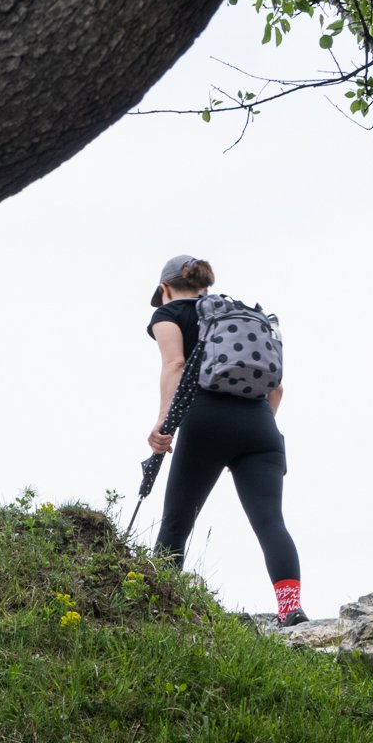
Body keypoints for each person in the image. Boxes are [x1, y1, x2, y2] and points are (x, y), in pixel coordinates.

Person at [144, 254, 306, 624]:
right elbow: (276, 388)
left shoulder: (168, 316)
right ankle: (290, 609)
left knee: (177, 522)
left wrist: (163, 424)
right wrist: (246, 440)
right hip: (261, 426)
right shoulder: (243, 318)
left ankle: (155, 612)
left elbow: (174, 365)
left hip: (205, 421)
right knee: (271, 523)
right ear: (206, 286)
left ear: (165, 289)